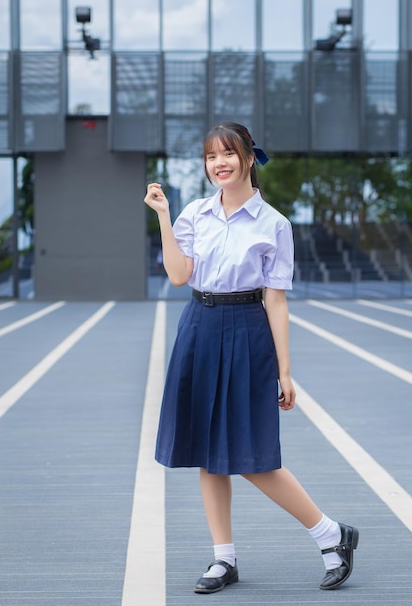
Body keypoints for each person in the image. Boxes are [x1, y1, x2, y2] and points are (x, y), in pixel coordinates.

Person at [144, 122, 359, 595]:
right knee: (206, 450)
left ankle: (330, 534)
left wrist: (284, 370)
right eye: (210, 157)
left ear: (248, 158)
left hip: (246, 331)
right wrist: (162, 214)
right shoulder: (195, 213)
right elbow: (179, 275)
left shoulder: (274, 223)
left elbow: (276, 300)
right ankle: (224, 559)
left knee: (252, 454)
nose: (218, 164)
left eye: (227, 154)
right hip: (198, 326)